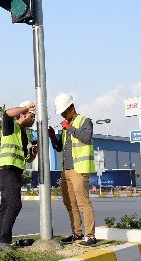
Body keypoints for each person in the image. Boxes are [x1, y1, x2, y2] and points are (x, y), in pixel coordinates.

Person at [49, 93, 97, 247]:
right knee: (69, 203)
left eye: (64, 111)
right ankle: (77, 234)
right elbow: (59, 148)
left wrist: (70, 128)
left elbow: (86, 138)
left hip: (79, 169)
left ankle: (90, 236)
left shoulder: (85, 121)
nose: (62, 115)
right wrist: (52, 137)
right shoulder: (65, 128)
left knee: (83, 203)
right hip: (66, 170)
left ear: (71, 107)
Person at [0, 101, 38, 252]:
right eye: (31, 116)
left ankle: (0, 240)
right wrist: (27, 107)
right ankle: (4, 240)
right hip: (7, 170)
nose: (33, 119)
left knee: (6, 206)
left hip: (15, 172)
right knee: (15, 204)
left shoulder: (24, 134)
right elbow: (7, 113)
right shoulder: (11, 127)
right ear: (21, 115)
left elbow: (27, 159)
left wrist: (33, 154)